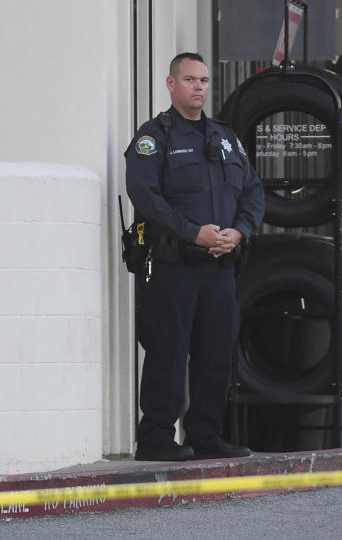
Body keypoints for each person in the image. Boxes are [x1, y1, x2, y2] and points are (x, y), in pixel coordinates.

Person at [125, 52, 265, 461]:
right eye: (190, 79)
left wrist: (238, 232)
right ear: (171, 85)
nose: (199, 87)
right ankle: (155, 439)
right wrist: (194, 234)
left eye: (204, 80)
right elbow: (146, 197)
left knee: (214, 354)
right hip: (172, 266)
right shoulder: (155, 137)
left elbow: (253, 192)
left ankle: (205, 436)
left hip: (219, 266)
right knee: (168, 352)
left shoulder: (224, 137)